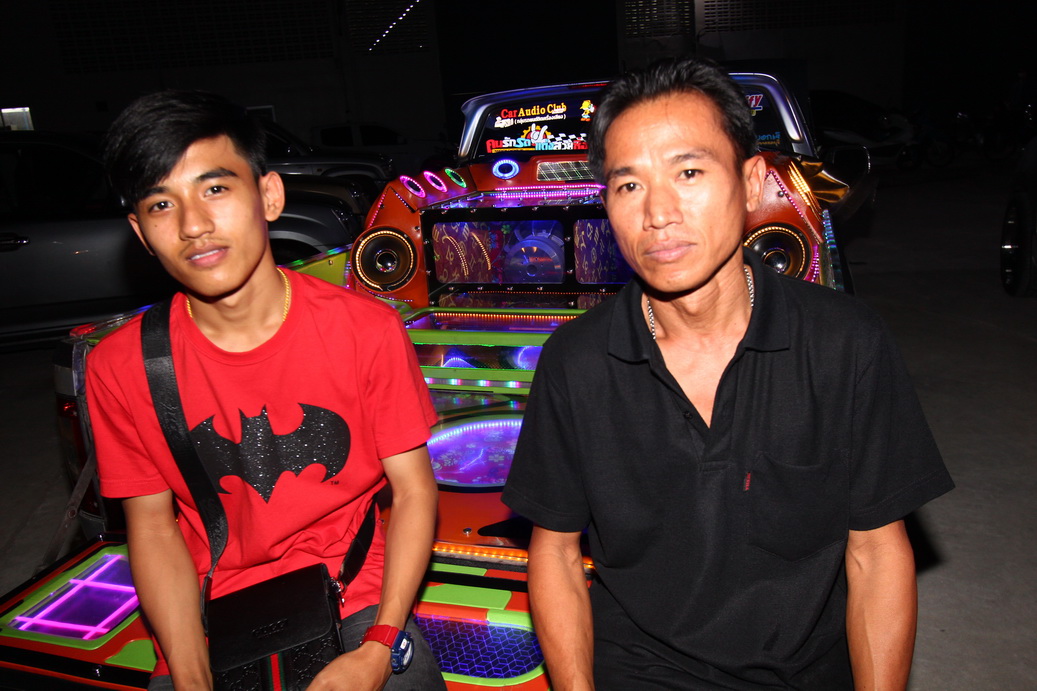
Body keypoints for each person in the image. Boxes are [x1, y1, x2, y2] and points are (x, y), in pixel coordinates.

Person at [501, 57, 954, 690]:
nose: (658, 213)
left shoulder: (844, 343)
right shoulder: (575, 363)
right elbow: (553, 549)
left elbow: (877, 550)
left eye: (688, 172)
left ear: (751, 181)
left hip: (807, 672)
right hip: (641, 669)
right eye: (628, 186)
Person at [89, 90, 446, 690]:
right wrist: (190, 672)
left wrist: (380, 646)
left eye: (215, 188)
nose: (193, 225)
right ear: (141, 232)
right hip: (212, 602)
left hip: (350, 587)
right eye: (161, 204)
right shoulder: (122, 365)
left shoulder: (364, 330)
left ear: (270, 196)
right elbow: (151, 527)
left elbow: (413, 490)